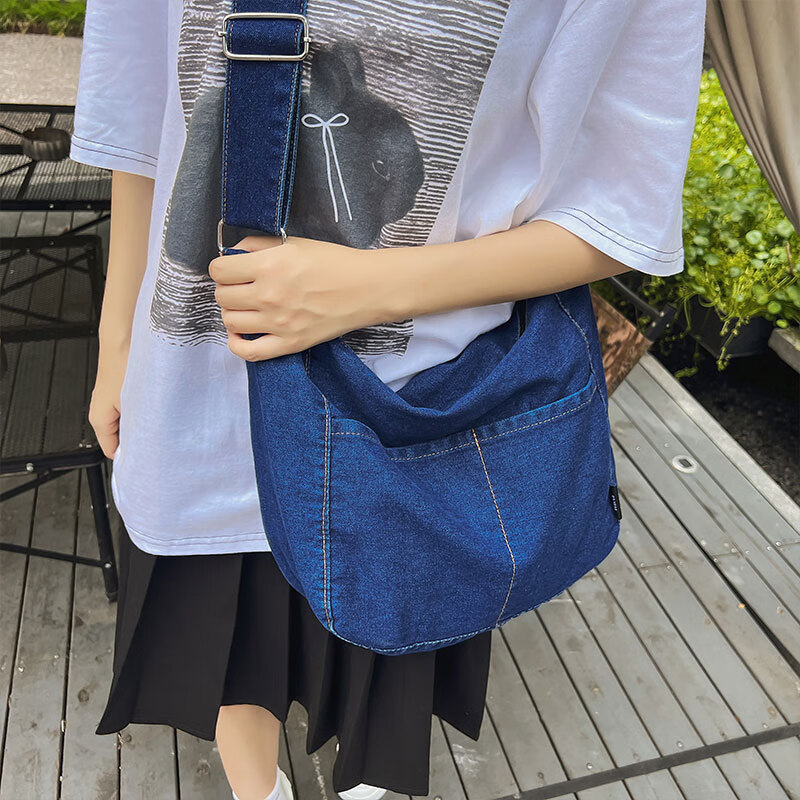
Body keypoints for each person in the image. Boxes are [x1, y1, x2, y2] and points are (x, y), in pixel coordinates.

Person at [70, 1, 707, 798]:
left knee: (390, 672)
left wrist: (369, 289)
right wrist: (118, 341)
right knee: (228, 646)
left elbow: (622, 214)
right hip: (191, 401)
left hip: (417, 423)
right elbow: (141, 109)